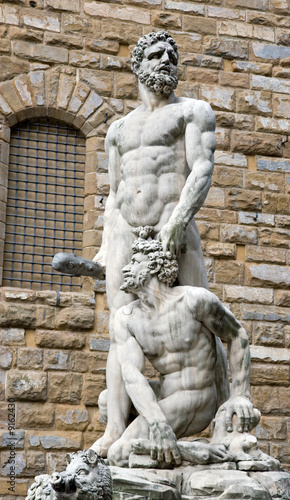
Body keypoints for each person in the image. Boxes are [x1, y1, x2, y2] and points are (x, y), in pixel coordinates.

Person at [91, 31, 226, 456]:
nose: (166, 58)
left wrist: (178, 223)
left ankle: (223, 419)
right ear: (138, 64)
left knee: (203, 317)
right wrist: (104, 243)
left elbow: (201, 169)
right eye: (155, 53)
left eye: (172, 53)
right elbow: (115, 192)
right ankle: (115, 428)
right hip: (126, 234)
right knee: (120, 330)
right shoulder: (117, 130)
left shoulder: (192, 112)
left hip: (175, 227)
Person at [104, 234, 256, 467]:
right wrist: (158, 424)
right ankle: (192, 451)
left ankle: (165, 446)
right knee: (107, 400)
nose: (127, 267)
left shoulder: (194, 301)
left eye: (135, 261)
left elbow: (237, 335)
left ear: (154, 265)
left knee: (120, 453)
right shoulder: (127, 319)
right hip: (166, 394)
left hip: (196, 397)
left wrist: (239, 395)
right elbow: (131, 375)